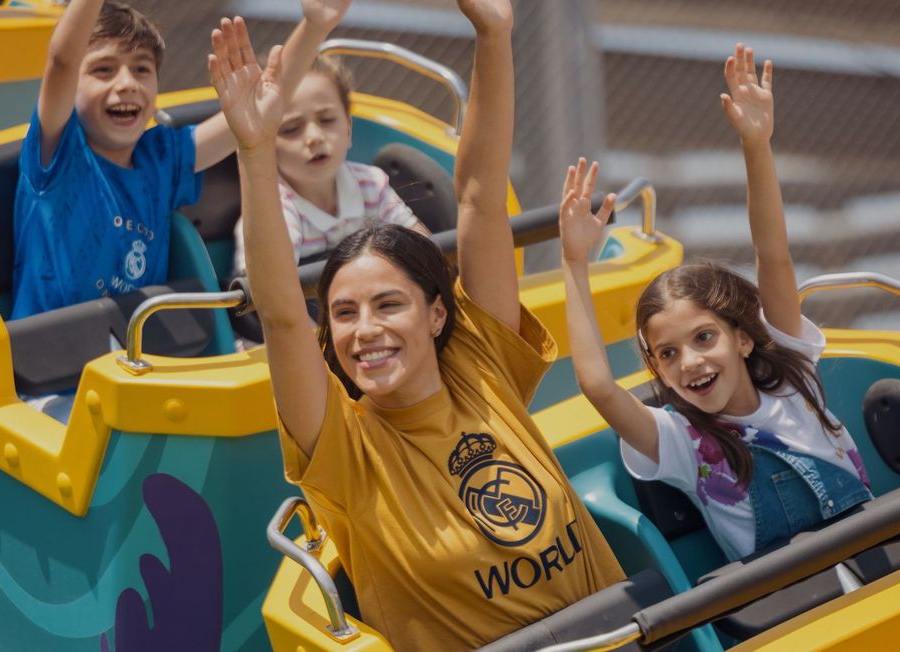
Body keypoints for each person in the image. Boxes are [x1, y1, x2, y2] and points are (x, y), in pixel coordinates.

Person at [210, 2, 625, 649]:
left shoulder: (480, 365)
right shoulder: (347, 454)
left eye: (388, 304)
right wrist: (254, 149)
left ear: (437, 314)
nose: (364, 329)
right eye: (343, 313)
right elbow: (284, 315)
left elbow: (481, 199)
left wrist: (494, 34)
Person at [558, 44, 872, 563]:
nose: (690, 363)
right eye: (668, 354)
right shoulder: (679, 442)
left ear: (743, 338)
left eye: (703, 338)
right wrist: (574, 262)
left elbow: (773, 256)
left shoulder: (795, 381)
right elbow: (597, 386)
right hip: (787, 603)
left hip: (875, 560)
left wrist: (756, 145)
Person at [10, 0, 352, 319]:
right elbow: (62, 61)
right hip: (51, 371)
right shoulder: (59, 152)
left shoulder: (162, 160)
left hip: (139, 355)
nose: (127, 83)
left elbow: (262, 105)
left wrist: (314, 27)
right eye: (103, 70)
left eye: (141, 69)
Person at [230, 54, 425, 276]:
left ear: (348, 130)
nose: (314, 137)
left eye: (326, 120)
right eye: (291, 128)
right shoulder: (274, 210)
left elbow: (420, 245)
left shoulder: (371, 184)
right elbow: (269, 291)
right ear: (266, 147)